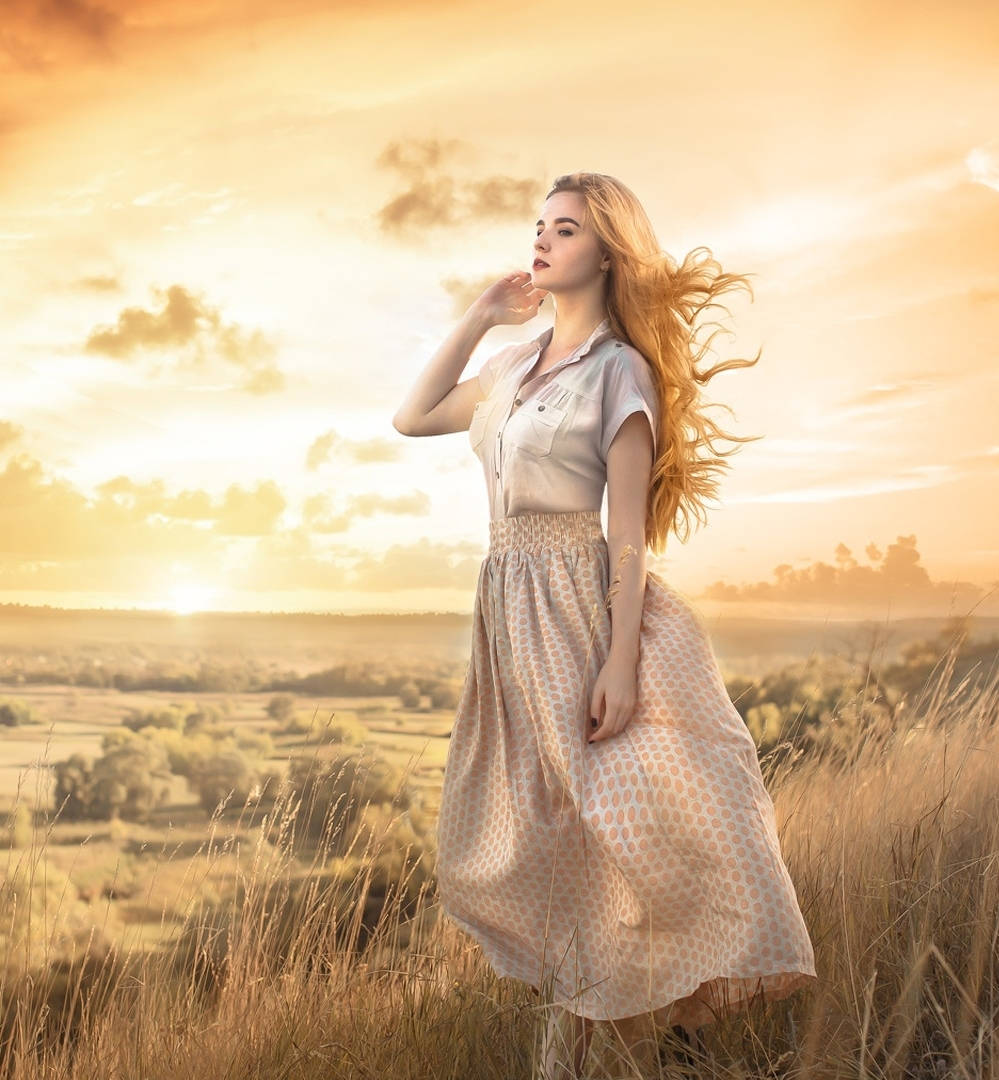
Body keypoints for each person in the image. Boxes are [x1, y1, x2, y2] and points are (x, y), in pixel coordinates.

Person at [392, 172, 817, 1078]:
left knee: (622, 831)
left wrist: (619, 663)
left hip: (581, 607)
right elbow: (413, 415)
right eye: (538, 226)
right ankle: (610, 1046)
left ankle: (608, 1047)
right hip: (509, 615)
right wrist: (478, 315)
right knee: (545, 840)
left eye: (566, 229)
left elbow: (628, 532)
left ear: (607, 252)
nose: (542, 242)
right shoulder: (512, 367)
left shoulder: (620, 369)